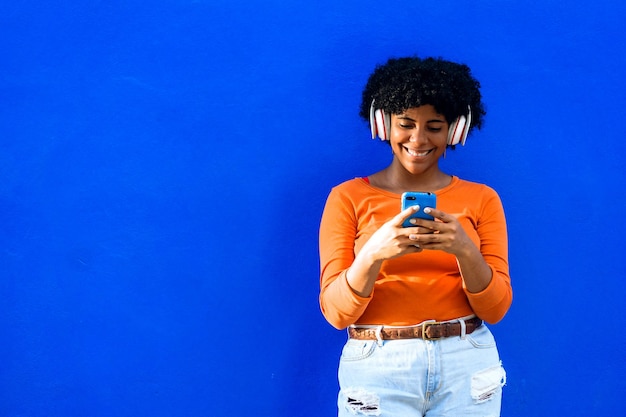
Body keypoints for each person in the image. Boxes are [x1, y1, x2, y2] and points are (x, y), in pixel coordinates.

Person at [318, 56, 512, 417]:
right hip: (378, 366)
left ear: (456, 130)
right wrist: (373, 254)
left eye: (435, 126)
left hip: (466, 363)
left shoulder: (483, 199)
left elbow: (496, 308)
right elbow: (336, 313)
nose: (418, 139)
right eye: (405, 124)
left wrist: (464, 251)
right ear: (383, 122)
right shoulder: (347, 198)